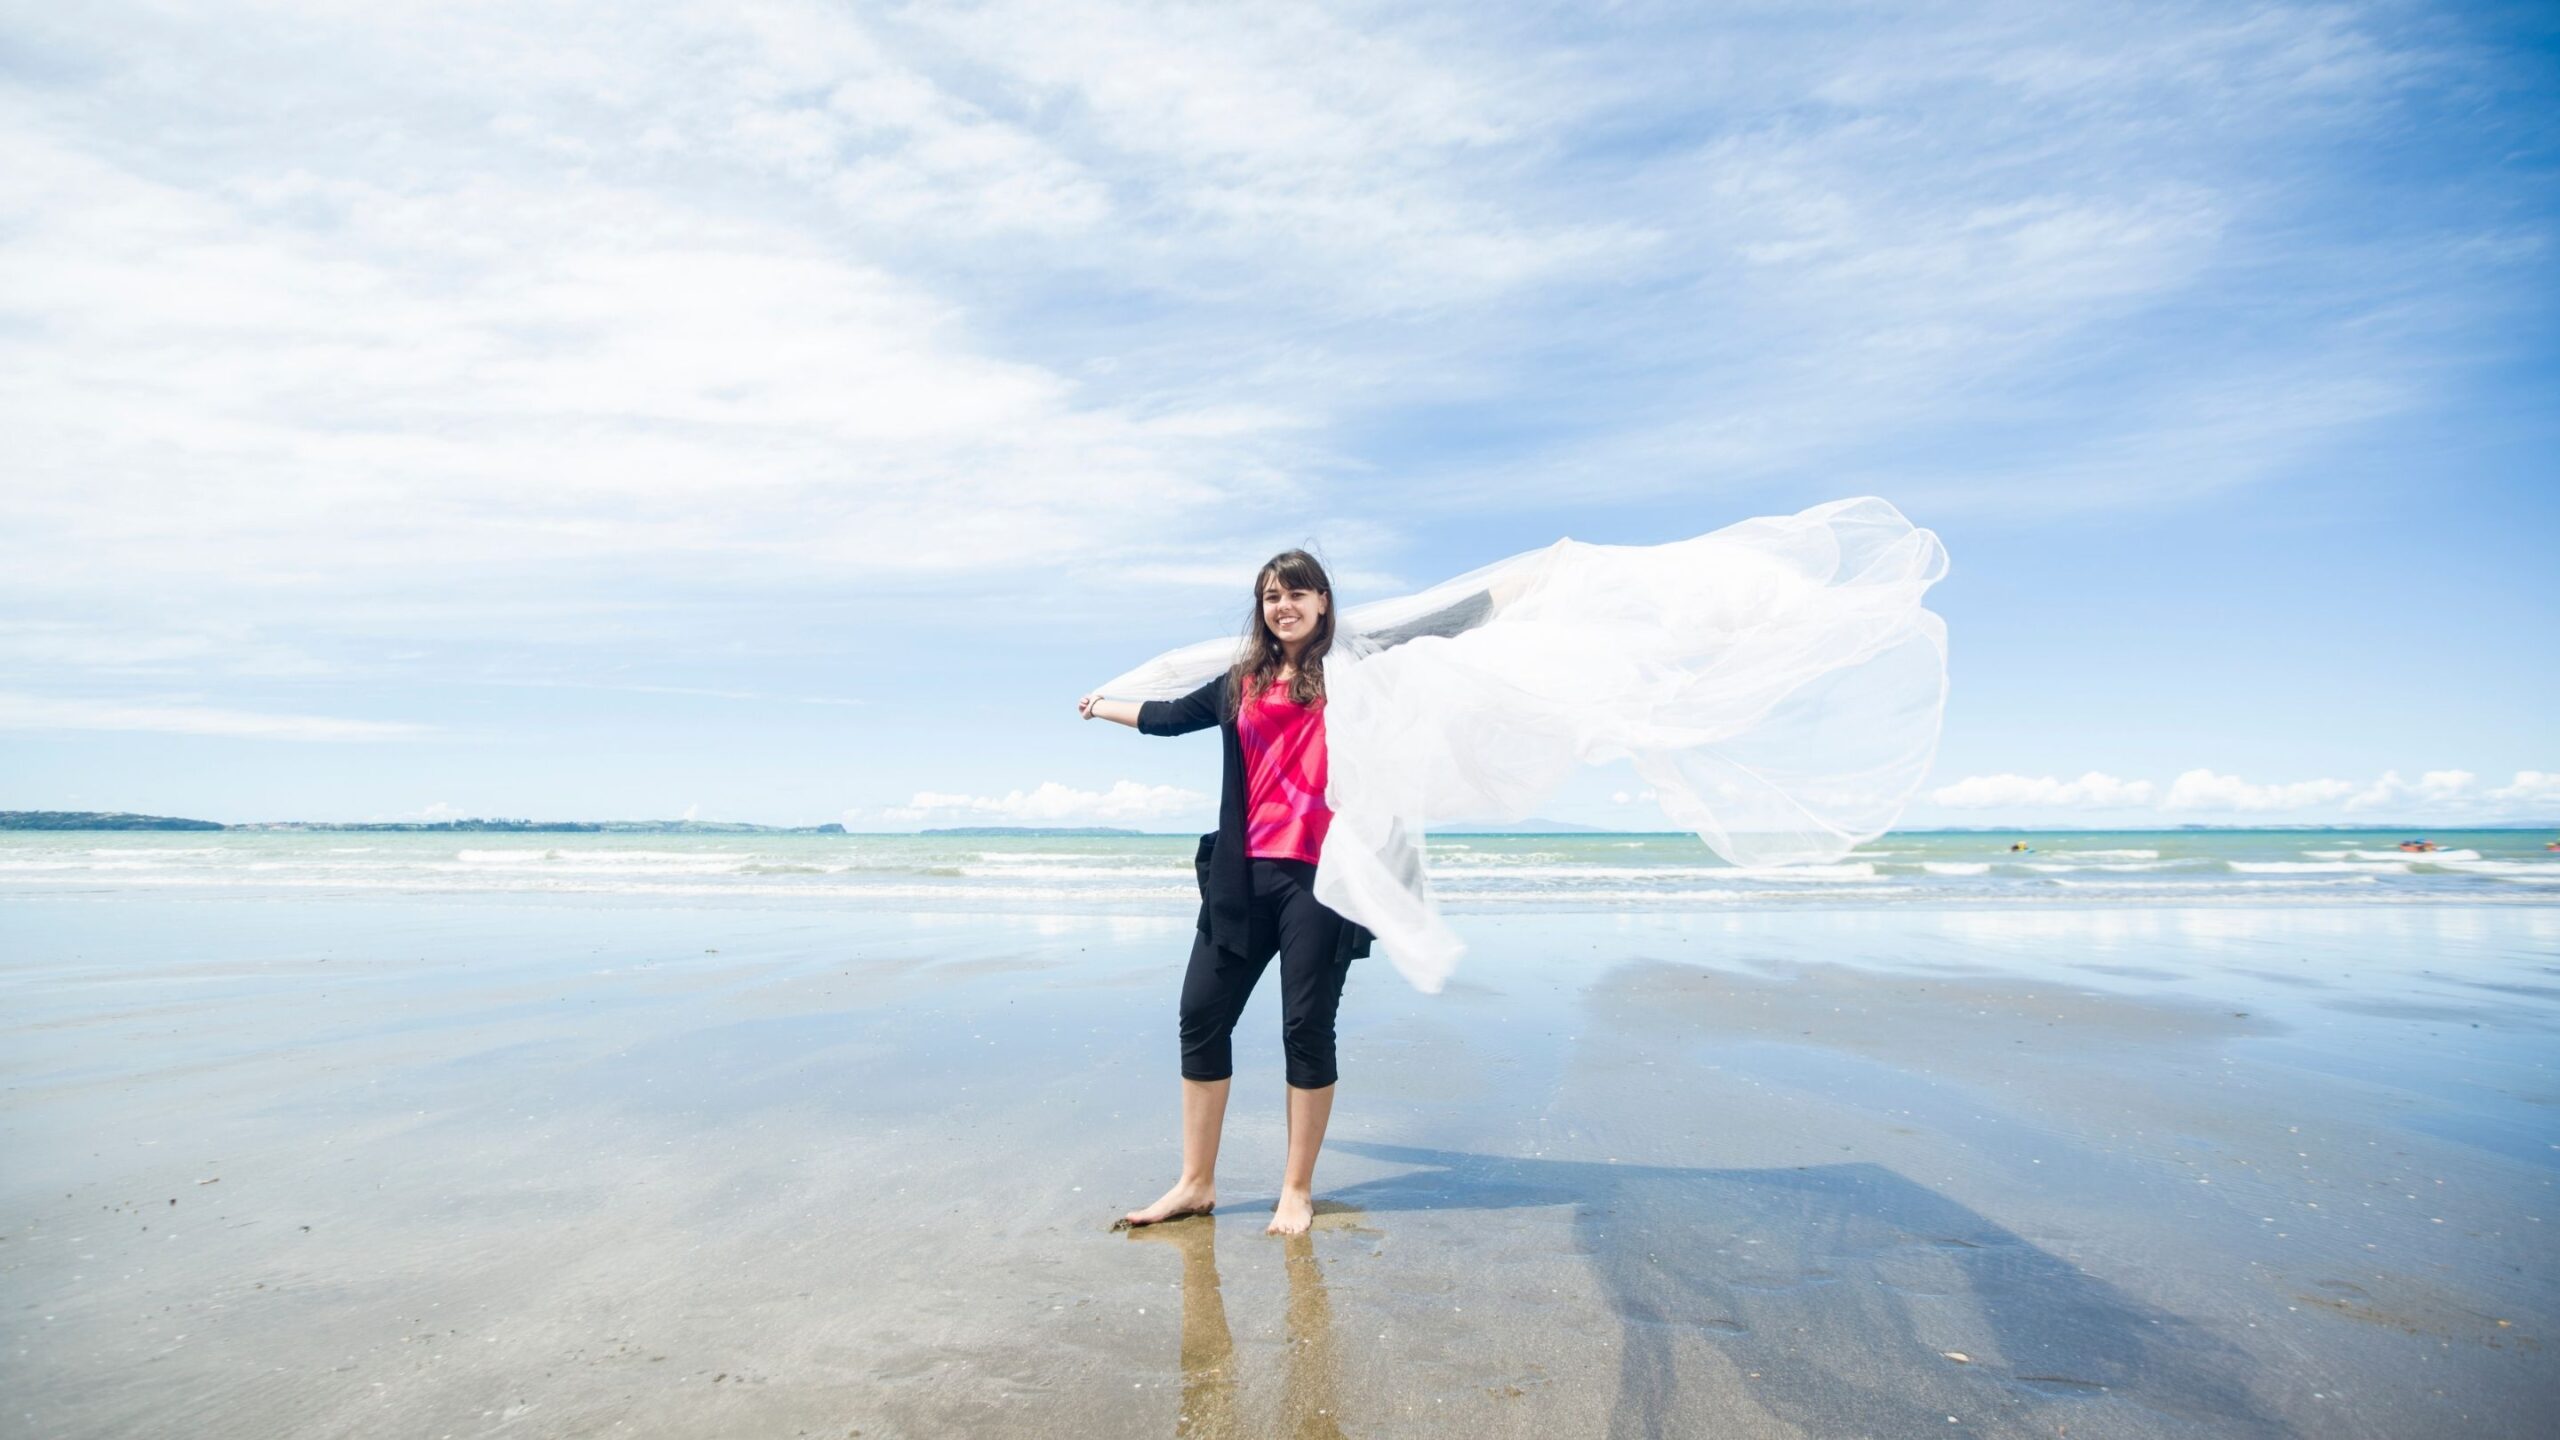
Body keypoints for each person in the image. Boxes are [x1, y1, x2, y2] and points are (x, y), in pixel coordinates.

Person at [1079, 548, 1370, 1237]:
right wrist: (1101, 706)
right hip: (1242, 876)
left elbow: (1436, 659)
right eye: (1272, 595)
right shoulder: (1240, 682)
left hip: (1319, 881)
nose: (1284, 605)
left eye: (1298, 593)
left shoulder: (1355, 682)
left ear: (1324, 603)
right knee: (1201, 1015)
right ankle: (1196, 1182)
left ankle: (1295, 1190)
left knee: (1305, 1028)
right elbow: (1170, 716)